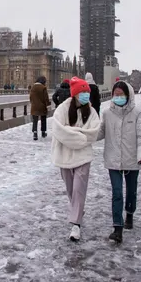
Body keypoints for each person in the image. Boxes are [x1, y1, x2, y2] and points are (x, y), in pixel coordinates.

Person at [97, 81, 141, 243]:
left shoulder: (137, 113)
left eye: (121, 94)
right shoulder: (107, 113)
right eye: (115, 94)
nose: (117, 97)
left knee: (131, 190)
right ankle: (117, 228)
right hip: (113, 158)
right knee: (117, 193)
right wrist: (81, 136)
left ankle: (130, 213)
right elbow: (100, 132)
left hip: (132, 158)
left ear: (128, 95)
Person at [51, 77, 101, 241]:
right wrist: (79, 136)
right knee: (71, 188)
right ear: (76, 93)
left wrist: (71, 134)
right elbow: (59, 130)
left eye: (88, 92)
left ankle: (76, 224)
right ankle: (78, 210)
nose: (87, 94)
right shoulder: (62, 109)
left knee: (79, 188)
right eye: (84, 92)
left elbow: (93, 132)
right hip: (64, 155)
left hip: (83, 156)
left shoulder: (91, 111)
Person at [30, 76, 51, 141]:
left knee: (35, 120)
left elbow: (30, 97)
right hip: (42, 106)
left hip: (34, 106)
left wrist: (33, 103)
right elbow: (46, 98)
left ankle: (35, 133)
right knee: (43, 119)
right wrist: (48, 105)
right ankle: (43, 132)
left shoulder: (33, 87)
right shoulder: (43, 88)